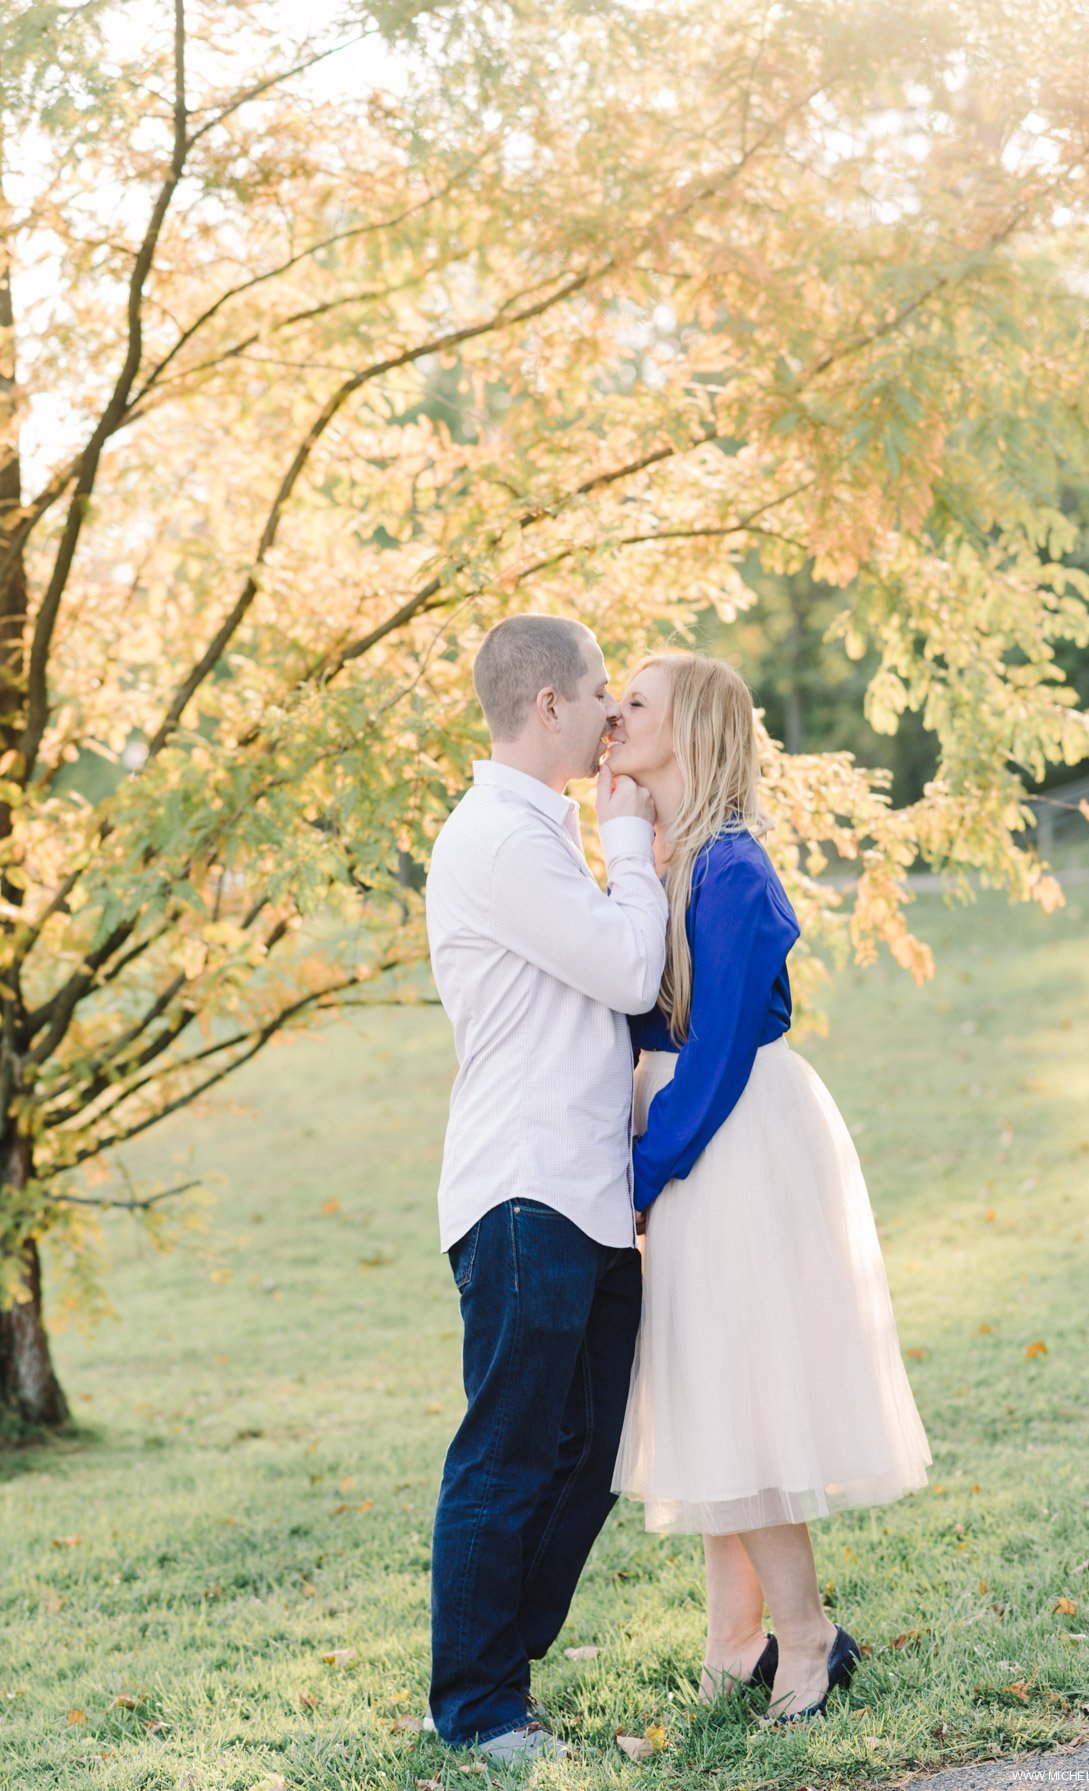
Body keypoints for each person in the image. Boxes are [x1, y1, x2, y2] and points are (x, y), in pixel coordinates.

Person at [606, 651, 932, 1725]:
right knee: (708, 1392)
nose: (614, 713)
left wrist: (647, 1170)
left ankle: (806, 1637)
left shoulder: (732, 869)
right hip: (693, 1137)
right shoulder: (653, 855)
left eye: (636, 702)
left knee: (732, 1390)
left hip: (730, 1140)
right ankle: (731, 1639)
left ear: (690, 730)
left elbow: (720, 1052)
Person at [423, 614, 668, 1761]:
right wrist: (629, 839)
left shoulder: (537, 831)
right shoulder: (502, 840)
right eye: (602, 694)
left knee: (590, 1452)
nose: (616, 714)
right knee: (512, 1450)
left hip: (583, 1186)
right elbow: (626, 966)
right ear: (550, 707)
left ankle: (501, 1687)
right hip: (524, 1189)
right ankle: (475, 1712)